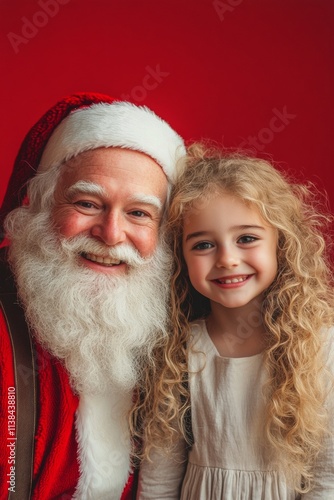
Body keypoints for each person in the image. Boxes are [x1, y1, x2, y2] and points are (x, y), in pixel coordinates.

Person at [0, 92, 185, 499]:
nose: (111, 234)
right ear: (43, 204)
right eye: (87, 203)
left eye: (139, 213)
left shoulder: (176, 324)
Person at [135, 144, 334, 499]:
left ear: (282, 243)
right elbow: (159, 477)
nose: (227, 259)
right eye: (203, 245)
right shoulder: (177, 350)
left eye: (246, 238)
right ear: (179, 256)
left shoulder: (320, 347)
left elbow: (326, 479)